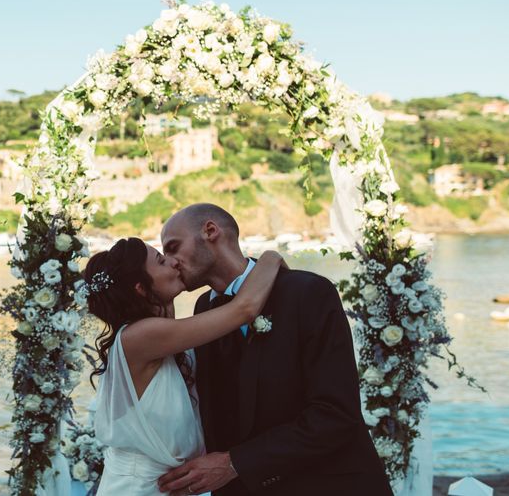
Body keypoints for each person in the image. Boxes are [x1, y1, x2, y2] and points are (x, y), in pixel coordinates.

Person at [156, 203, 392, 496]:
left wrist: (234, 464)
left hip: (329, 484)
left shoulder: (308, 292)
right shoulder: (203, 307)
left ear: (211, 231)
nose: (171, 261)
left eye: (174, 247)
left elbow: (335, 414)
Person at [84, 237, 286, 496]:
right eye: (160, 260)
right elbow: (243, 309)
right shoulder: (140, 336)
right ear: (140, 288)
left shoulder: (167, 336)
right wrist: (270, 258)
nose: (173, 262)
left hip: (173, 486)